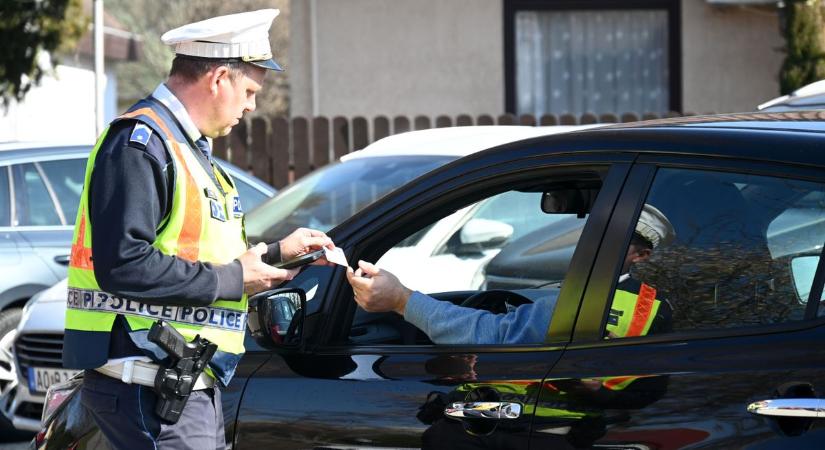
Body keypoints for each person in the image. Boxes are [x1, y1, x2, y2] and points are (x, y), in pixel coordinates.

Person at [62, 10, 333, 450]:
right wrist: (233, 279)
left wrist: (275, 255)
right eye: (248, 90)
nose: (252, 105)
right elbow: (124, 265)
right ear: (219, 77)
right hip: (147, 390)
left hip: (178, 387)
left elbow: (198, 251)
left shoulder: (186, 147)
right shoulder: (141, 145)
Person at [346, 204, 674, 345]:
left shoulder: (592, 301)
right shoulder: (657, 304)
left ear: (641, 255)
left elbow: (493, 335)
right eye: (591, 232)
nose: (592, 243)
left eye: (613, 240)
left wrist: (402, 300)